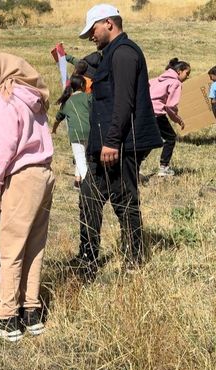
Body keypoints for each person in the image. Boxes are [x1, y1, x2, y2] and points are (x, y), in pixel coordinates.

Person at [0, 52, 54, 342]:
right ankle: (31, 311)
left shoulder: (5, 99)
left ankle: (7, 316)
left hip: (21, 178)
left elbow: (5, 148)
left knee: (11, 249)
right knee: (34, 246)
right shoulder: (32, 95)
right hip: (44, 173)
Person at [76, 4, 162, 274]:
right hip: (108, 144)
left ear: (109, 23)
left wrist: (112, 141)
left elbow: (123, 102)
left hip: (121, 144)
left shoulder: (124, 54)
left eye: (93, 29)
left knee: (125, 201)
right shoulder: (110, 54)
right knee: (89, 196)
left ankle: (134, 261)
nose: (91, 35)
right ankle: (88, 258)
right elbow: (96, 74)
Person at [149, 58, 191, 177]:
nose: (187, 77)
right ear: (179, 72)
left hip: (146, 111)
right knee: (170, 138)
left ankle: (136, 164)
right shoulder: (176, 83)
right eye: (187, 73)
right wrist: (177, 119)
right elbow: (170, 105)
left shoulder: (157, 79)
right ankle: (164, 167)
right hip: (157, 113)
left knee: (151, 138)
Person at [52, 74, 91, 188]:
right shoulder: (88, 97)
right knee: (85, 158)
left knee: (80, 159)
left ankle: (87, 185)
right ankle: (78, 183)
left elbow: (57, 119)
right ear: (83, 85)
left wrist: (54, 130)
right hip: (90, 131)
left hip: (75, 135)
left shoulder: (66, 102)